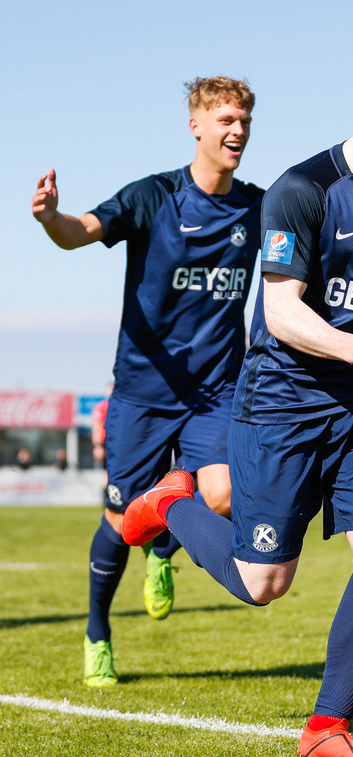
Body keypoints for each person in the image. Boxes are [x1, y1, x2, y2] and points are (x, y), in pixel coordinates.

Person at [122, 68, 353, 757]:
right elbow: (281, 310)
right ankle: (170, 502)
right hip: (281, 404)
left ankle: (327, 731)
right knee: (263, 583)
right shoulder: (301, 191)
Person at [32, 76, 265, 686]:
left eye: (244, 120)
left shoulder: (260, 207)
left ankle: (165, 545)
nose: (238, 130)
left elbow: (324, 246)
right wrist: (51, 217)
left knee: (223, 495)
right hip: (143, 392)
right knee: (118, 521)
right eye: (226, 120)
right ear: (196, 126)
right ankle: (97, 633)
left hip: (217, 390)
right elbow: (79, 232)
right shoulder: (153, 196)